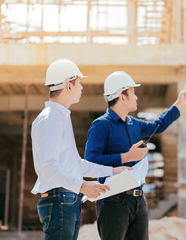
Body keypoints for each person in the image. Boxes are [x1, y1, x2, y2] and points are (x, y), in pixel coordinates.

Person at [85, 71, 186, 240]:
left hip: (138, 200)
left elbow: (159, 125)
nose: (136, 97)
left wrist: (180, 102)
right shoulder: (100, 126)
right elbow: (90, 162)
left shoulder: (134, 124)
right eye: (133, 92)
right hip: (113, 201)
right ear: (122, 96)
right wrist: (125, 157)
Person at [31, 60, 129, 240]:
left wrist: (113, 170)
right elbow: (48, 168)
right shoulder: (50, 120)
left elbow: (76, 164)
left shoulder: (59, 117)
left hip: (66, 200)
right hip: (59, 200)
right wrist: (83, 186)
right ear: (69, 86)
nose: (82, 88)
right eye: (79, 83)